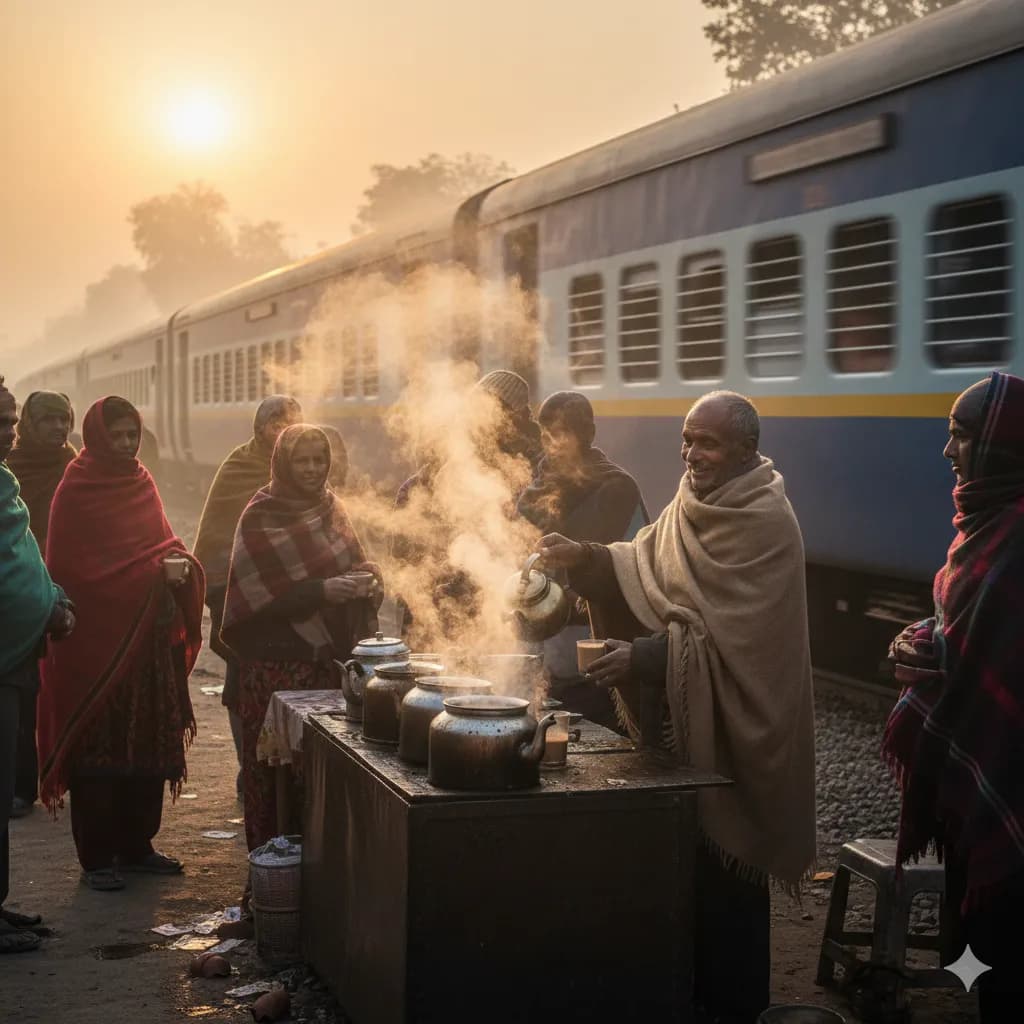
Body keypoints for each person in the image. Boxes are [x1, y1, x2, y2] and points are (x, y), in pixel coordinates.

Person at [536, 390, 816, 1024]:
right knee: (679, 869)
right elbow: (641, 562)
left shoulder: (767, 522)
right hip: (683, 721)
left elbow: (738, 643)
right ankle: (687, 995)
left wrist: (644, 660)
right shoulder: (691, 501)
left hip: (741, 732)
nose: (692, 453)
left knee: (729, 879)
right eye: (688, 439)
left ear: (747, 449)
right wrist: (582, 556)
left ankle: (736, 1003)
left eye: (708, 442)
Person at [883, 372, 1024, 1018]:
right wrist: (924, 640)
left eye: (961, 437)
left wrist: (941, 649)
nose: (947, 452)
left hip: (1012, 772)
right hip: (986, 763)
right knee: (988, 946)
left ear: (1000, 446)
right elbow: (963, 630)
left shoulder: (1016, 538)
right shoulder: (984, 522)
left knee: (1010, 946)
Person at [37, 396, 205, 892]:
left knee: (148, 746)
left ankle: (138, 845)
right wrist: (148, 575)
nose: (128, 445)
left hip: (146, 650)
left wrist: (179, 570)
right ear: (97, 436)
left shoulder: (141, 482)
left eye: (134, 435)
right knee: (99, 754)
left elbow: (162, 545)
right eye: (119, 436)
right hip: (97, 653)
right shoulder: (77, 487)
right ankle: (97, 859)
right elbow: (74, 574)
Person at [220, 424, 381, 851]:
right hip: (273, 669)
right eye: (302, 461)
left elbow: (358, 561)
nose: (312, 469)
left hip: (325, 666)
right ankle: (274, 874)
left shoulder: (333, 509)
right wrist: (320, 591)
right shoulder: (260, 515)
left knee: (318, 776)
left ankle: (322, 880)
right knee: (274, 774)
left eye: (319, 461)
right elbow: (253, 599)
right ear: (282, 464)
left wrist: (368, 580)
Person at [517, 391, 648, 728]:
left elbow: (637, 566)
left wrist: (574, 594)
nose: (552, 444)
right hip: (537, 637)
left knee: (593, 727)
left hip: (592, 638)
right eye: (546, 434)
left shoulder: (618, 489)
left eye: (563, 433)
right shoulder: (535, 488)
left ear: (589, 434)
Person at [193, 396, 303, 798]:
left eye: (292, 423)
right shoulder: (239, 470)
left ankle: (287, 770)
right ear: (259, 430)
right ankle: (250, 769)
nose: (283, 430)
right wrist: (227, 595)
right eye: (276, 423)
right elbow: (218, 541)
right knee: (243, 680)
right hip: (240, 601)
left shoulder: (304, 469)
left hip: (294, 604)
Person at [0, 377, 75, 953]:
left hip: (15, 655)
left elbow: (23, 561)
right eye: (1, 422)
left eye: (7, 420)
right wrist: (46, 605)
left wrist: (49, 601)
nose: (6, 432)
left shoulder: (5, 482)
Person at [4, 391, 77, 818]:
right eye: (47, 420)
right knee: (23, 698)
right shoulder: (11, 472)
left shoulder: (77, 469)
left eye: (63, 419)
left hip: (65, 589)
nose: (57, 428)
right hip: (23, 592)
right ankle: (21, 785)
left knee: (58, 690)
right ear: (29, 424)